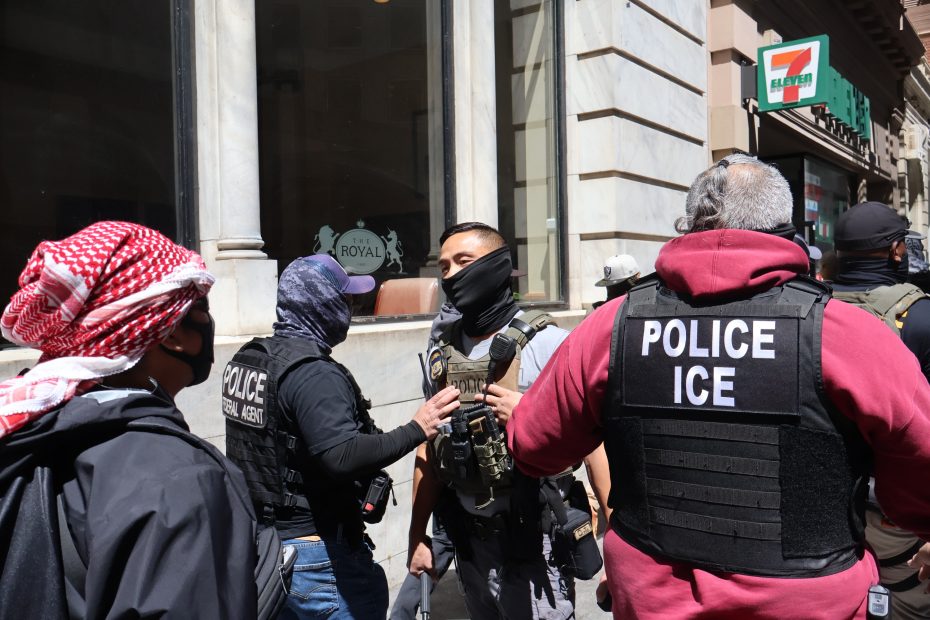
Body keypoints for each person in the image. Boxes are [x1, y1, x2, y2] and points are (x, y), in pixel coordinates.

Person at [507, 154, 930, 619]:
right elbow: (919, 472)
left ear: (688, 226)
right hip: (811, 600)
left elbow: (533, 447)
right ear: (785, 230)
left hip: (650, 599)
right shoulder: (848, 333)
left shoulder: (611, 327)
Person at [0, 221, 260, 619]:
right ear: (171, 332)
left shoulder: (26, 431)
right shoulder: (178, 477)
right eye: (201, 308)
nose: (209, 324)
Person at [222, 253, 460, 619]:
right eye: (345, 299)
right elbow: (341, 456)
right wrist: (418, 428)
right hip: (317, 555)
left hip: (266, 546)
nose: (352, 307)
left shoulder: (251, 358)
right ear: (320, 304)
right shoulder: (314, 374)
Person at [406, 222, 608, 620]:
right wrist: (416, 537)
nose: (452, 275)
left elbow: (595, 444)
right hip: (470, 544)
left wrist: (616, 544)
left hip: (535, 541)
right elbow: (429, 446)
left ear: (498, 265)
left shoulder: (548, 343)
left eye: (464, 261)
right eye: (444, 267)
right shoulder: (441, 355)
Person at [831, 202, 930, 619]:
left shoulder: (810, 310)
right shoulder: (922, 317)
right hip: (898, 519)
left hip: (827, 511)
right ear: (896, 251)